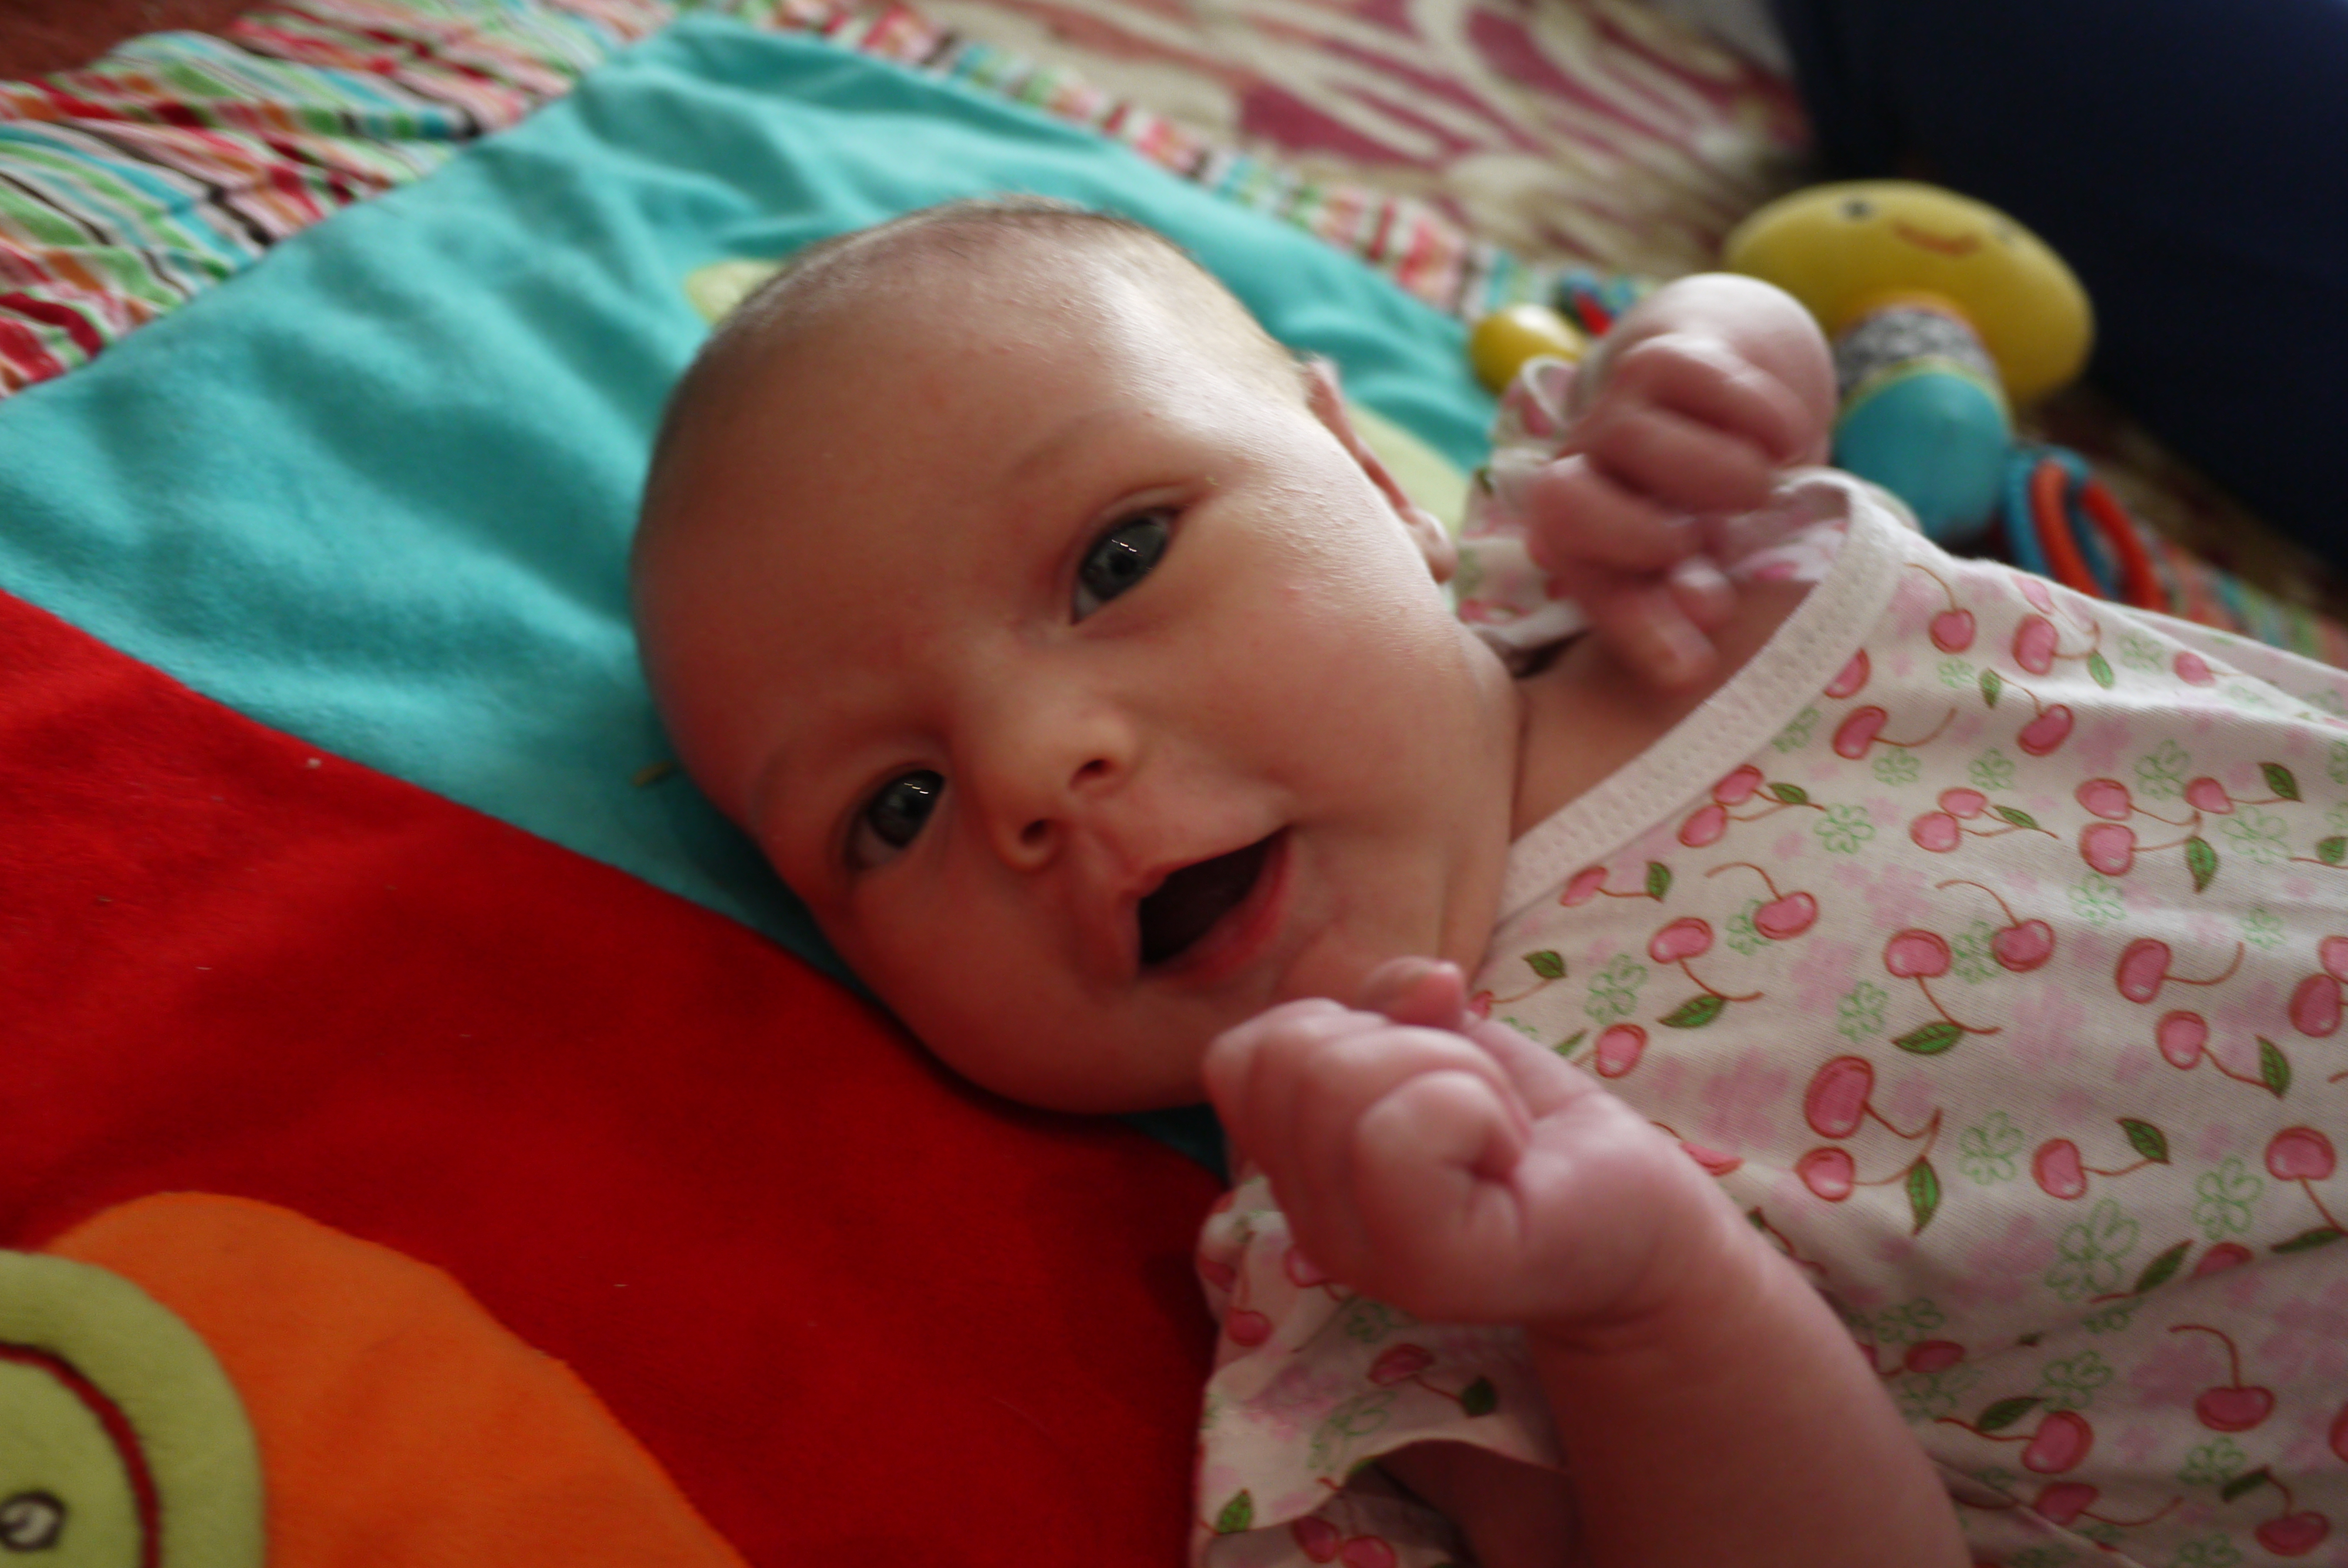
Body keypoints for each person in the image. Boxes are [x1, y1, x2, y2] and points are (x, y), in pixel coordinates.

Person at [632, 198, 2348, 1567]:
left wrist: (1710, 360)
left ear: (1376, 480)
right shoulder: (1385, 1249)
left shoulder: (1606, 555)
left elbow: (1740, 351)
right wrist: (1651, 1304)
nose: (1028, 769)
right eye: (898, 808)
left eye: (1119, 557)